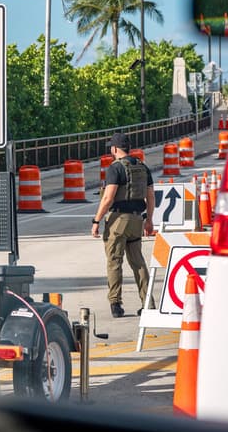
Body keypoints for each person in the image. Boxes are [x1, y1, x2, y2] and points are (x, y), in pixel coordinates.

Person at [91, 132, 155, 318]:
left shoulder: (115, 168)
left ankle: (116, 304)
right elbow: (150, 196)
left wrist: (96, 220)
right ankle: (148, 303)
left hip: (118, 221)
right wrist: (149, 220)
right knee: (138, 263)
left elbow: (108, 198)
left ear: (114, 149)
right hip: (137, 220)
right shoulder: (143, 167)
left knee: (114, 262)